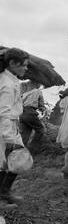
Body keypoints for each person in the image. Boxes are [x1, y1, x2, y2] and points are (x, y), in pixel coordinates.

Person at [0, 48, 30, 207]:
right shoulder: (7, 84)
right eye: (23, 65)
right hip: (5, 126)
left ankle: (5, 192)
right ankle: (2, 195)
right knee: (8, 161)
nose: (26, 68)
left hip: (11, 124)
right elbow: (3, 111)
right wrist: (8, 137)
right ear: (12, 63)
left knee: (15, 160)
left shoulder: (10, 79)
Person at [19, 80, 45, 152]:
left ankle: (18, 151)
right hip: (30, 112)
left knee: (25, 134)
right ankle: (33, 148)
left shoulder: (25, 93)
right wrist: (42, 109)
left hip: (22, 113)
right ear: (37, 84)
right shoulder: (38, 91)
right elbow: (41, 104)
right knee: (40, 129)